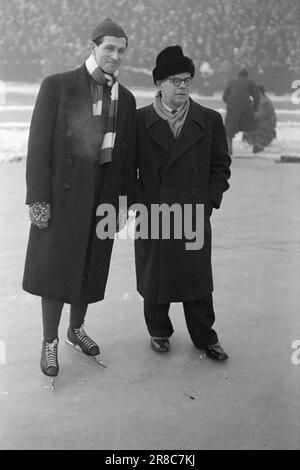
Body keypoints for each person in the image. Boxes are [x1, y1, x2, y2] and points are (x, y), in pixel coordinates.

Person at [22, 18, 136, 382]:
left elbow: (126, 159)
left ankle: (76, 329)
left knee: (89, 267)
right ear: (93, 47)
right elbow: (38, 146)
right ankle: (49, 340)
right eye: (109, 49)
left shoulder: (126, 99)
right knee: (56, 271)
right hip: (62, 199)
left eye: (121, 51)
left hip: (101, 198)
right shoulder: (57, 86)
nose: (115, 56)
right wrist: (38, 198)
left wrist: (120, 203)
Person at [134, 46, 231, 361]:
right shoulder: (138, 121)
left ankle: (205, 337)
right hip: (154, 214)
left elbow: (220, 166)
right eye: (175, 80)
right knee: (155, 277)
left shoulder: (210, 120)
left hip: (193, 213)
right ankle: (159, 331)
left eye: (187, 79)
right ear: (159, 83)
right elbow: (126, 169)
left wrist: (208, 202)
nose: (183, 86)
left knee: (197, 279)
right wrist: (141, 203)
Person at [223, 68, 260, 154]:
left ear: (238, 75)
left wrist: (230, 105)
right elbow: (256, 96)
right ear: (247, 76)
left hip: (232, 107)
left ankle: (229, 148)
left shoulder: (231, 82)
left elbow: (224, 97)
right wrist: (254, 108)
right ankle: (255, 146)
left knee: (229, 129)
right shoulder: (250, 82)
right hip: (245, 106)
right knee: (253, 125)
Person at [243, 85, 276, 151]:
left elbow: (259, 116)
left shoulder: (266, 103)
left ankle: (259, 143)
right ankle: (252, 141)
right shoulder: (259, 101)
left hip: (266, 128)